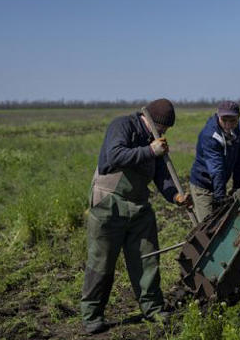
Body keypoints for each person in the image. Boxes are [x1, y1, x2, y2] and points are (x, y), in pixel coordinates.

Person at [80, 98, 191, 335]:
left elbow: (161, 174)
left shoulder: (155, 139)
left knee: (147, 257)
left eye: (165, 130)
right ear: (148, 119)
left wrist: (175, 196)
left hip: (139, 205)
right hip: (109, 202)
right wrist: (150, 150)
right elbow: (114, 156)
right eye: (161, 128)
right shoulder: (122, 125)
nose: (162, 133)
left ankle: (152, 308)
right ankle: (92, 315)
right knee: (102, 260)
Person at [189, 100, 240, 222]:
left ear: (239, 116)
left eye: (232, 120)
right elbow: (216, 169)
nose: (228, 124)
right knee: (208, 225)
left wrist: (237, 185)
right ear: (218, 116)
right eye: (224, 120)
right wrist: (220, 197)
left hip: (220, 180)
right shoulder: (210, 135)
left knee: (222, 222)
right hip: (203, 184)